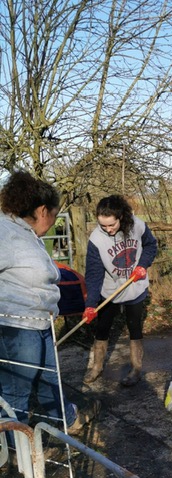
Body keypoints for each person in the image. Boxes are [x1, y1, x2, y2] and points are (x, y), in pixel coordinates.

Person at [0, 170, 94, 438]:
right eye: (54, 215)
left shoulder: (26, 234)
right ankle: (14, 450)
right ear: (43, 211)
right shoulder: (5, 233)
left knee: (49, 378)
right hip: (15, 328)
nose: (53, 223)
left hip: (39, 324)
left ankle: (64, 421)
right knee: (16, 390)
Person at [82, 195, 158, 386]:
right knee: (102, 328)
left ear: (121, 217)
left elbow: (151, 245)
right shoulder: (96, 239)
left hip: (135, 286)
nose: (107, 230)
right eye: (103, 225)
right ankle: (97, 367)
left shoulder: (137, 226)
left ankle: (136, 369)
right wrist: (91, 304)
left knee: (134, 327)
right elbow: (93, 275)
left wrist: (143, 264)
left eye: (111, 225)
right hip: (110, 290)